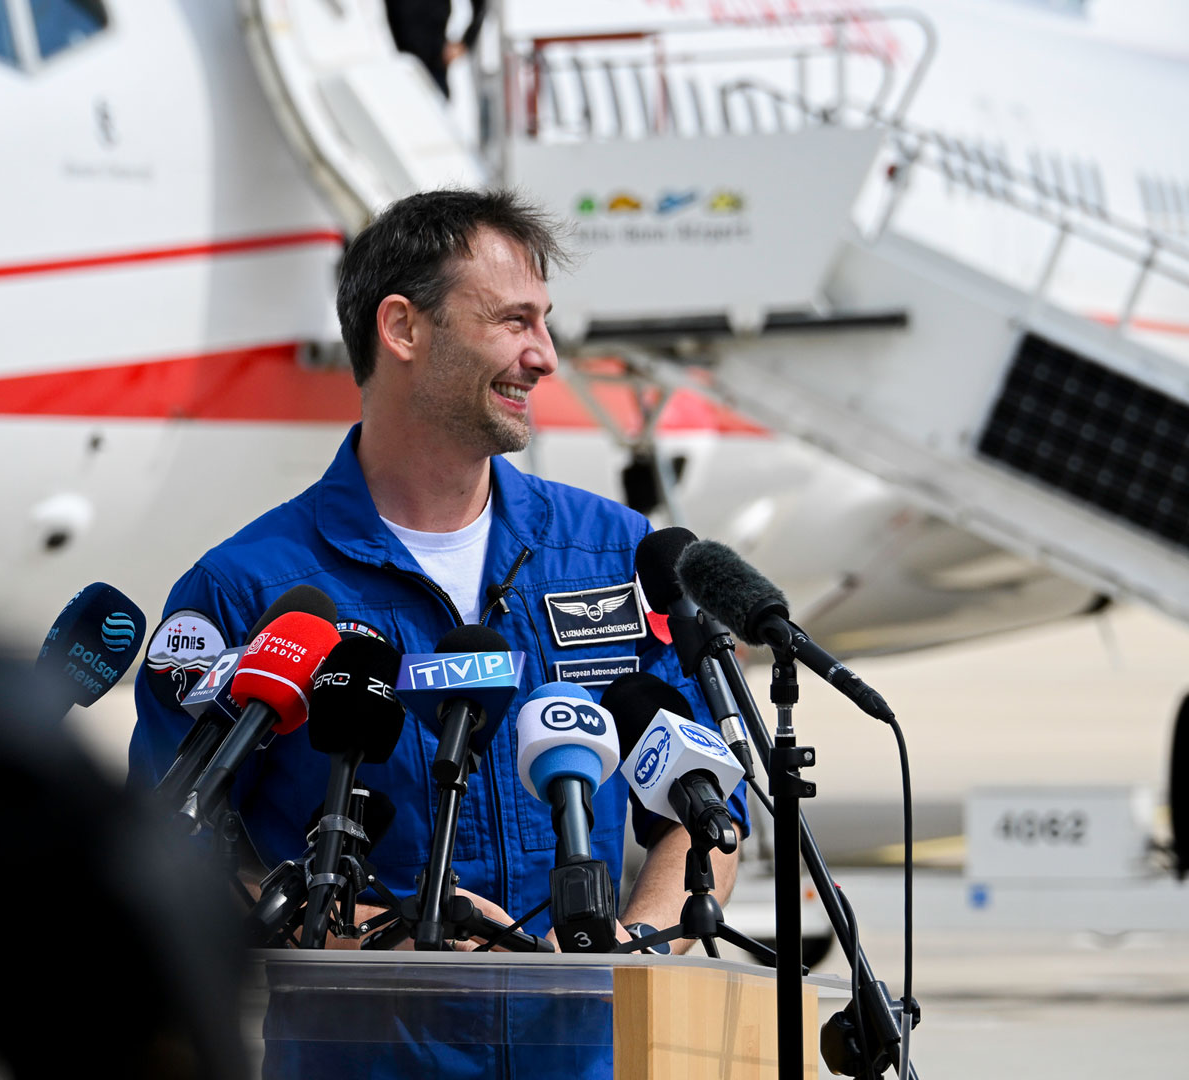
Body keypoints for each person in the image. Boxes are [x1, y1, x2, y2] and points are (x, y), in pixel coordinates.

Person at [129, 189, 746, 1074]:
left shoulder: (616, 554)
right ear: (403, 329)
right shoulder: (247, 589)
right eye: (513, 322)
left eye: (546, 323)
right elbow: (175, 844)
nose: (544, 357)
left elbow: (707, 811)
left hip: (583, 1058)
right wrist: (387, 941)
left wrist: (636, 949)